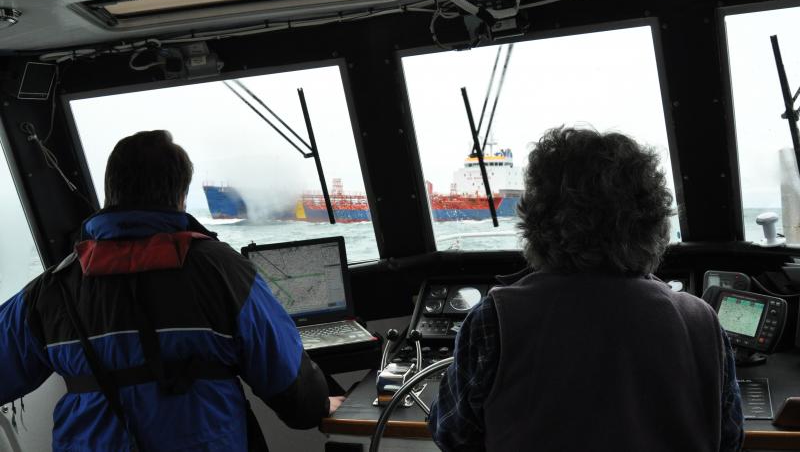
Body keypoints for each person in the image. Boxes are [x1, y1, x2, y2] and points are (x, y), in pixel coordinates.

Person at [0, 130, 343, 451]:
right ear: (180, 195)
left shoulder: (51, 289)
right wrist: (320, 404)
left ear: (111, 193)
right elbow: (289, 387)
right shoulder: (222, 270)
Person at [428, 127, 744, 451]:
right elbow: (729, 438)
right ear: (653, 219)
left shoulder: (493, 320)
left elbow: (452, 434)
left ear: (537, 221)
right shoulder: (703, 322)